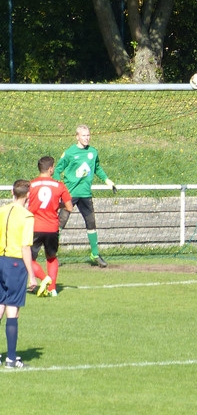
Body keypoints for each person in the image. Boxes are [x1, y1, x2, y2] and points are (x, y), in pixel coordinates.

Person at [54, 125, 116, 267]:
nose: (87, 138)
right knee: (60, 224)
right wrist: (58, 186)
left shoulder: (93, 152)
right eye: (83, 135)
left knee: (91, 223)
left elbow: (97, 168)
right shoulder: (70, 152)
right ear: (77, 137)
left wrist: (107, 181)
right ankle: (53, 255)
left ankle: (95, 254)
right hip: (70, 195)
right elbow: (57, 170)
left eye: (88, 135)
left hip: (85, 194)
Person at [1, 180, 38, 368]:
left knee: (0, 305)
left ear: (12, 192)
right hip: (15, 264)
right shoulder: (27, 216)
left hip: (0, 260)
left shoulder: (2, 210)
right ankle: (11, 358)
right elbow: (25, 247)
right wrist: (32, 275)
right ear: (28, 195)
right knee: (12, 310)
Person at [28, 156, 73, 297]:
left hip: (34, 226)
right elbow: (69, 207)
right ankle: (52, 289)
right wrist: (56, 205)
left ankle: (44, 278)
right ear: (50, 169)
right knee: (51, 257)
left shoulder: (31, 184)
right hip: (52, 227)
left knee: (28, 259)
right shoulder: (59, 185)